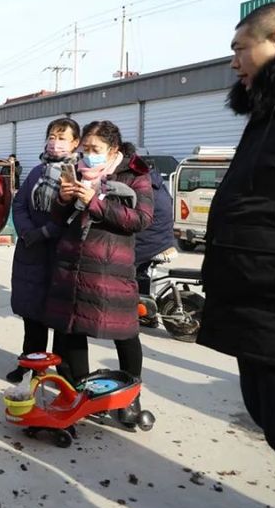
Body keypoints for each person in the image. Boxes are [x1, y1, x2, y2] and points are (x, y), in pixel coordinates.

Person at [199, 2, 275, 468]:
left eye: (240, 49)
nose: (234, 63)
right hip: (258, 305)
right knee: (267, 414)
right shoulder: (268, 114)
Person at [43, 120, 153, 424]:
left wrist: (96, 203)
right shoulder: (76, 171)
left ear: (113, 150)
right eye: (85, 149)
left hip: (111, 268)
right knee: (74, 329)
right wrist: (64, 200)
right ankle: (82, 393)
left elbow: (141, 219)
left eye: (96, 150)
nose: (88, 155)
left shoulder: (135, 175)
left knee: (125, 334)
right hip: (73, 265)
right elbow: (58, 215)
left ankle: (130, 397)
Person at [6, 118, 81, 383]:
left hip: (61, 252)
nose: (54, 142)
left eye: (62, 138)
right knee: (32, 314)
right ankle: (31, 363)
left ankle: (64, 371)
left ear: (75, 143)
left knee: (61, 317)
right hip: (31, 250)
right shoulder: (37, 171)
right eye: (51, 136)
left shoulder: (79, 174)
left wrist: (49, 231)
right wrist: (28, 232)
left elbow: (74, 215)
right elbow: (19, 205)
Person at [134, 160, 177, 295]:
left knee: (118, 262)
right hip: (164, 238)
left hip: (151, 240)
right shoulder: (159, 183)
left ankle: (137, 304)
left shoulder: (143, 186)